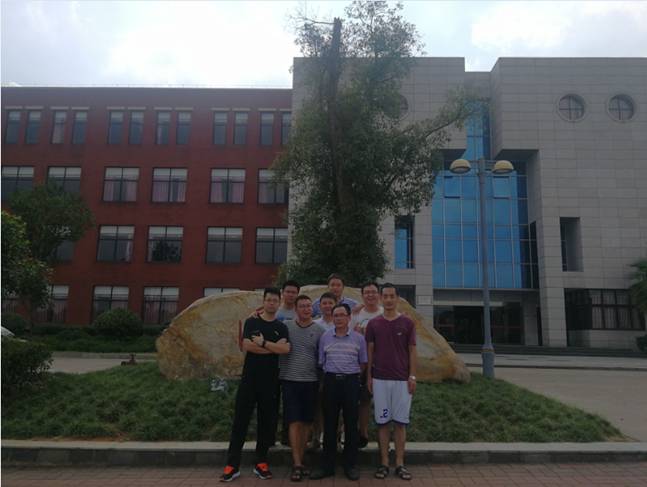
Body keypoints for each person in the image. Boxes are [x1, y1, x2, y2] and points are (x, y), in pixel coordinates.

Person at [220, 288, 290, 482]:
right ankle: (232, 465)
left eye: (275, 300)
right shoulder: (252, 322)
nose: (271, 303)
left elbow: (285, 349)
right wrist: (273, 348)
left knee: (266, 423)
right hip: (249, 380)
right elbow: (247, 346)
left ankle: (261, 462)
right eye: (268, 300)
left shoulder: (281, 327)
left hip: (271, 382)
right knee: (240, 422)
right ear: (263, 301)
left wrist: (263, 343)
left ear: (279, 303)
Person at [310, 304, 367, 481]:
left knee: (350, 424)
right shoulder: (325, 337)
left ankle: (350, 465)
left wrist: (352, 376)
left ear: (349, 318)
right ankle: (327, 466)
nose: (339, 318)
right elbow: (322, 361)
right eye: (336, 315)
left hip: (351, 382)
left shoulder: (359, 338)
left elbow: (363, 363)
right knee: (329, 424)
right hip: (331, 382)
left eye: (342, 315)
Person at [366, 284, 417, 481]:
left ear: (397, 299)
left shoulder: (407, 323)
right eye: (385, 296)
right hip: (380, 380)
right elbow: (370, 351)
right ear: (381, 298)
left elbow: (412, 351)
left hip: (402, 381)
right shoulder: (374, 324)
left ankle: (400, 464)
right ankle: (384, 463)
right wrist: (369, 376)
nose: (388, 300)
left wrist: (412, 376)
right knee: (383, 423)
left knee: (400, 423)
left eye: (391, 296)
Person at [279, 295, 326, 482]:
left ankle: (302, 457)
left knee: (307, 421)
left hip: (311, 381)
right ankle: (297, 463)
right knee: (294, 421)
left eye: (308, 306)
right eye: (302, 306)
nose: (306, 309)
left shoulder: (320, 330)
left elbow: (322, 358)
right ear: (296, 309)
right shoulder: (286, 327)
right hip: (290, 380)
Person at [350, 282, 384, 448]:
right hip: (361, 363)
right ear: (362, 295)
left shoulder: (384, 313)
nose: (370, 295)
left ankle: (382, 438)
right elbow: (348, 336)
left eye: (373, 292)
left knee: (382, 401)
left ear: (378, 295)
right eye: (367, 292)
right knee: (362, 400)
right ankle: (362, 433)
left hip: (382, 363)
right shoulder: (356, 314)